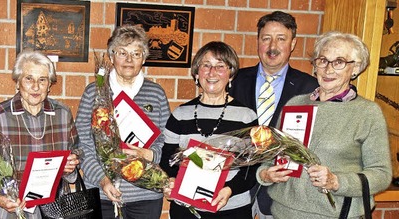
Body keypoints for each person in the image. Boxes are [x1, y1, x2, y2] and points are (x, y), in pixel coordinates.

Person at [257, 31, 392, 218]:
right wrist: (265, 174)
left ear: (356, 68)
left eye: (339, 62)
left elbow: (381, 174)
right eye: (323, 60)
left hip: (335, 215)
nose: (328, 69)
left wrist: (337, 182)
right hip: (282, 213)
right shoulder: (295, 104)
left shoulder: (367, 113)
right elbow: (270, 157)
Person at [229, 11, 319, 218]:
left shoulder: (310, 88)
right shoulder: (235, 81)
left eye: (281, 39)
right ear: (258, 41)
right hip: (237, 188)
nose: (272, 47)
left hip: (284, 190)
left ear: (293, 43)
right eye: (266, 38)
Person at [76, 25, 170, 219]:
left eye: (136, 54)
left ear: (143, 59)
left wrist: (150, 154)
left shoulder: (156, 93)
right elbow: (82, 143)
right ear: (111, 57)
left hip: (146, 196)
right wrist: (103, 181)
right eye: (122, 53)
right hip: (102, 192)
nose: (129, 60)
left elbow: (165, 142)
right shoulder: (94, 92)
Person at [160, 41, 258, 219]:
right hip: (186, 209)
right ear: (197, 73)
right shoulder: (180, 114)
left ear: (230, 74)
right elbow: (167, 158)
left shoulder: (246, 116)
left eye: (220, 66)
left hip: (231, 209)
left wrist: (229, 190)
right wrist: (171, 181)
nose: (212, 73)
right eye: (206, 65)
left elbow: (252, 166)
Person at [0, 50, 80, 218]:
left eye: (42, 80)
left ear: (49, 85)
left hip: (53, 210)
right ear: (18, 82)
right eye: (29, 79)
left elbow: (76, 150)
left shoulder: (63, 114)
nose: (35, 87)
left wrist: (70, 165)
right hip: (9, 210)